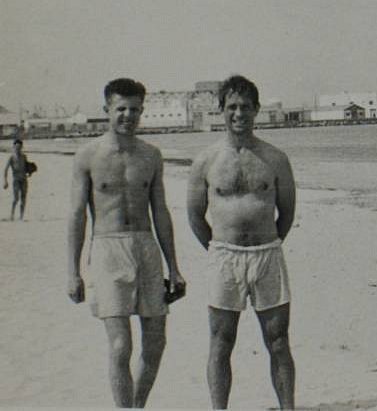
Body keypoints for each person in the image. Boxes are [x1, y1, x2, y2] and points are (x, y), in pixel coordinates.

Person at [66, 78, 186, 408]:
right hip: (107, 249)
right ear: (107, 109)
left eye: (135, 109)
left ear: (142, 111)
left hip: (146, 248)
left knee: (156, 344)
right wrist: (72, 272)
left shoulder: (151, 155)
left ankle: (136, 405)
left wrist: (174, 266)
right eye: (121, 109)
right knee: (120, 346)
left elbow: (160, 211)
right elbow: (77, 215)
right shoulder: (87, 156)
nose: (127, 116)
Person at [187, 75, 297, 410]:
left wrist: (265, 241)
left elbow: (287, 213)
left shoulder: (275, 158)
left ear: (257, 110)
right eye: (232, 106)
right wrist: (221, 247)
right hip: (224, 257)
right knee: (221, 342)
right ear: (221, 110)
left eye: (246, 107)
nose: (239, 113)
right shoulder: (206, 160)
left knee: (278, 342)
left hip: (267, 255)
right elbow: (195, 216)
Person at [3, 138, 33, 220]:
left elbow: (26, 168)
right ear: (13, 147)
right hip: (16, 180)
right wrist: (5, 181)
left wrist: (30, 172)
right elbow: (5, 169)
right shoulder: (11, 157)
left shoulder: (24, 156)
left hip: (24, 180)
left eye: (19, 147)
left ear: (22, 147)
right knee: (16, 199)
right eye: (16, 147)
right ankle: (12, 215)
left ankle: (21, 216)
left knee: (23, 198)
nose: (18, 149)